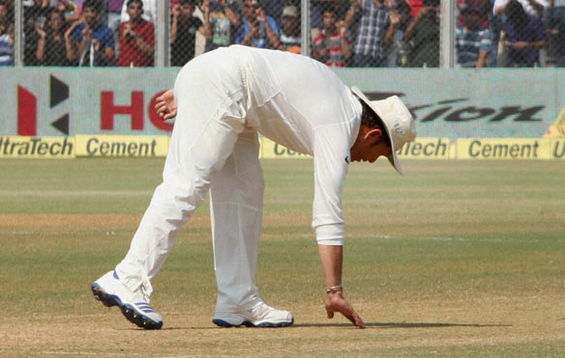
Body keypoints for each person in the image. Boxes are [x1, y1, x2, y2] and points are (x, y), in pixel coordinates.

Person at [90, 44, 416, 330]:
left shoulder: (339, 98)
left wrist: (196, 87)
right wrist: (335, 292)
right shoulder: (340, 124)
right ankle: (128, 278)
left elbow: (267, 66)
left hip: (229, 89)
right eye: (381, 155)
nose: (372, 162)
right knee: (186, 184)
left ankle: (237, 299)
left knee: (246, 190)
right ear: (372, 135)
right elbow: (327, 213)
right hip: (226, 86)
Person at [344, 0, 390, 67]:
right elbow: (347, 23)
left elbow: (386, 38)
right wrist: (354, 8)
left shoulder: (387, 10)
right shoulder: (363, 3)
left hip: (377, 53)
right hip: (361, 50)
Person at [501, 0, 546, 67]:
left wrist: (527, 45)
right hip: (512, 59)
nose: (513, 19)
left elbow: (543, 43)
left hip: (530, 59)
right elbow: (503, 40)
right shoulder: (509, 22)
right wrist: (509, 44)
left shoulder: (534, 22)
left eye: (514, 17)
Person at [71, 0, 116, 66]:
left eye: (92, 11)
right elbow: (75, 56)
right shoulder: (79, 29)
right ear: (83, 13)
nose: (89, 14)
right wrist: (84, 41)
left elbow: (110, 58)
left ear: (98, 14)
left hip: (99, 69)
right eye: (86, 11)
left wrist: (99, 51)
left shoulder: (106, 31)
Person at [117, 0, 155, 66]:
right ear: (127, 11)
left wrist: (135, 36)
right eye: (132, 8)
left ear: (142, 11)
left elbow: (151, 52)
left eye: (138, 8)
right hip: (124, 67)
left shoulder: (148, 26)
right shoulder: (122, 26)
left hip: (142, 67)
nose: (135, 11)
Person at [404, 0, 440, 67]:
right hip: (419, 57)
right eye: (428, 5)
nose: (430, 8)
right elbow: (407, 36)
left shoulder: (442, 22)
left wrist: (440, 15)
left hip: (435, 57)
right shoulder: (418, 21)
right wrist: (419, 14)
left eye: (434, 6)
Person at [170, 0, 203, 66]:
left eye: (192, 8)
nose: (189, 11)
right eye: (186, 8)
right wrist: (175, 18)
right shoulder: (173, 20)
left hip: (189, 59)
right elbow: (172, 39)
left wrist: (205, 14)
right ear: (180, 8)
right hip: (174, 59)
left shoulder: (195, 20)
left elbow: (208, 34)